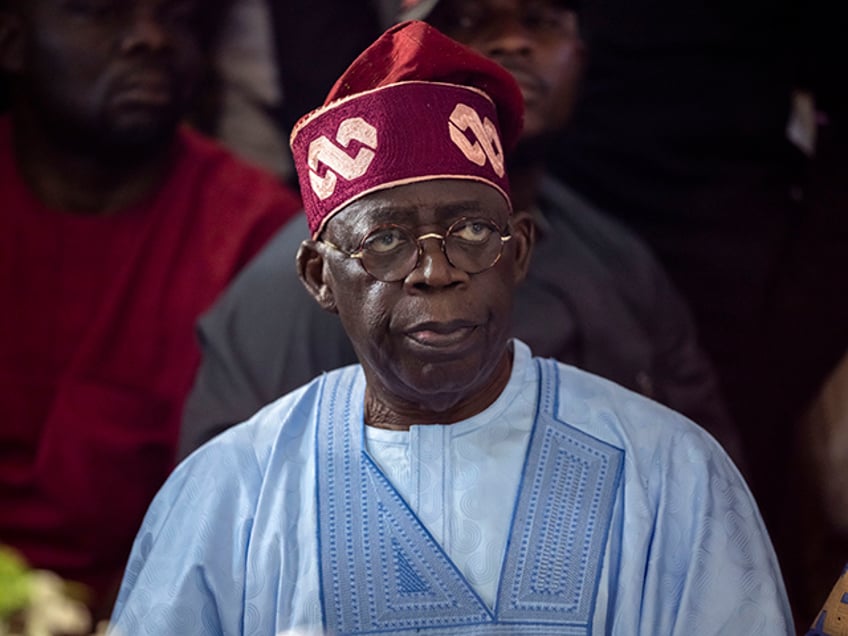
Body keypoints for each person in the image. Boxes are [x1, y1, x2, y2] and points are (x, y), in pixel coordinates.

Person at [112, 21, 791, 634]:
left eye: (470, 230)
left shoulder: (669, 473)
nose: (436, 271)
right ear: (320, 277)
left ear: (518, 252)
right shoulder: (235, 493)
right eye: (385, 240)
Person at [179, 0, 743, 467]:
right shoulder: (296, 288)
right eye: (472, 22)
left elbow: (707, 481)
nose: (514, 45)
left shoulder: (618, 259)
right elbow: (232, 512)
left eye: (541, 21)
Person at [0, 0, 300, 617]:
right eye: (99, 11)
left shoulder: (259, 238)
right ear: (12, 40)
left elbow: (242, 528)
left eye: (179, 16)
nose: (150, 38)